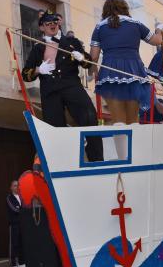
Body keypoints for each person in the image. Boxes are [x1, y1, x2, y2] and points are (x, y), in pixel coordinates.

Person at [22, 10, 103, 162]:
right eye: (48, 23)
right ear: (42, 27)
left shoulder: (72, 42)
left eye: (55, 22)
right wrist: (39, 70)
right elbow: (25, 74)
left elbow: (88, 64)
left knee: (89, 117)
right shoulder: (37, 48)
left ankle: (97, 160)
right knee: (55, 129)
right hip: (50, 92)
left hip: (71, 86)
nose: (52, 25)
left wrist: (82, 57)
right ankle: (62, 163)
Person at [90, 0, 163, 125]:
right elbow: (156, 40)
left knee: (118, 121)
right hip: (134, 70)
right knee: (133, 120)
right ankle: (133, 146)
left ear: (107, 7)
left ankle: (122, 146)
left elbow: (93, 56)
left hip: (109, 71)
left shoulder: (99, 27)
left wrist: (91, 70)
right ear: (124, 6)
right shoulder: (136, 24)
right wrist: (159, 29)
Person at [7, 180, 24, 267]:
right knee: (14, 244)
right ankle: (13, 265)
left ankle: (21, 262)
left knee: (21, 242)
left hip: (21, 223)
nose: (16, 187)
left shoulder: (21, 197)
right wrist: (21, 210)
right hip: (14, 224)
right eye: (14, 185)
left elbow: (23, 207)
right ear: (11, 187)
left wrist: (20, 209)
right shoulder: (9, 198)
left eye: (18, 186)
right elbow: (14, 209)